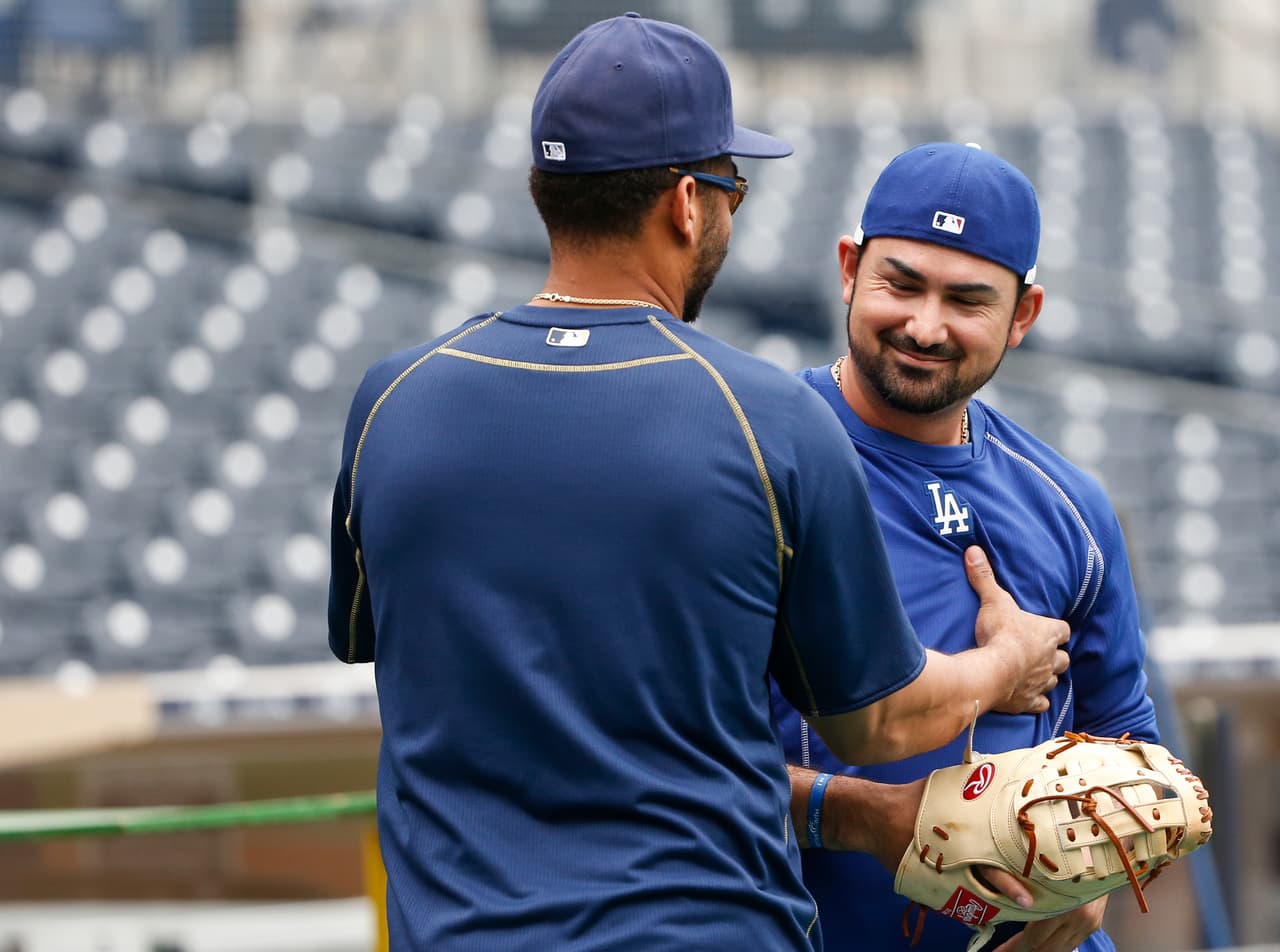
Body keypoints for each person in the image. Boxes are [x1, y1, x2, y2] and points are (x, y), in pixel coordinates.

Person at [328, 16, 1068, 951]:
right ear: (688, 202)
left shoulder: (390, 398)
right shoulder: (766, 418)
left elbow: (368, 642)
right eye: (733, 188)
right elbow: (879, 723)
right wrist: (1007, 660)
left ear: (541, 189)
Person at [772, 142, 1159, 952]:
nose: (924, 325)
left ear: (1023, 315)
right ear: (849, 268)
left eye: (967, 299)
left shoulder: (1070, 507)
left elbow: (1134, 756)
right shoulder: (756, 460)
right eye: (900, 284)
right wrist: (862, 813)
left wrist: (1095, 883)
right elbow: (662, 769)